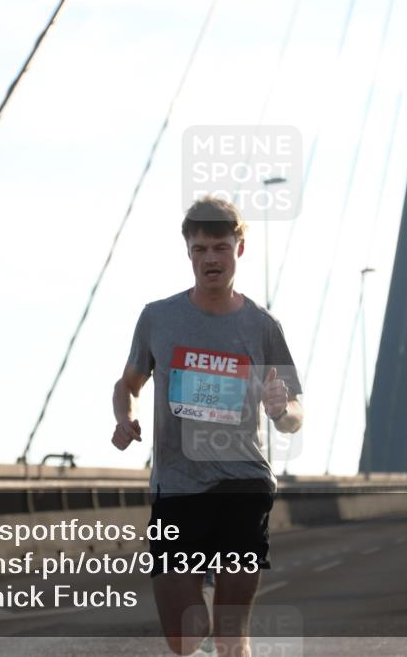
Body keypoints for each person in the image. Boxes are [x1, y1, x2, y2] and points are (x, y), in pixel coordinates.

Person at [112, 196, 304, 656]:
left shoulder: (262, 326)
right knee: (183, 638)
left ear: (239, 248)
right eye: (200, 249)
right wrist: (126, 418)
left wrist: (282, 410)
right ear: (188, 252)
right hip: (177, 488)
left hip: (243, 485)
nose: (210, 259)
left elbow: (295, 413)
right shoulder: (158, 317)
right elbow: (128, 383)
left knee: (230, 637)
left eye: (219, 247)